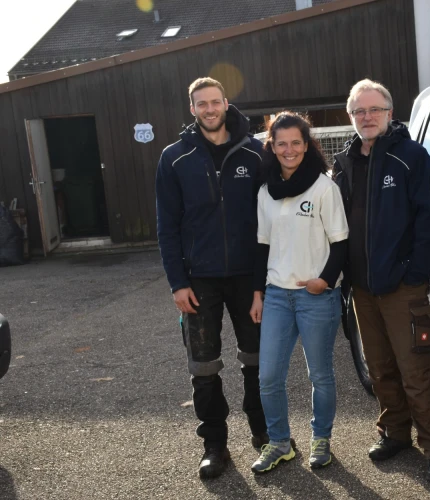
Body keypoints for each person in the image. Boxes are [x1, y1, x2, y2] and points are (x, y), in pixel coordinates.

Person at [333, 80, 430, 483]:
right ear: (351, 117)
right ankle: (394, 433)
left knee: (415, 370)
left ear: (389, 111)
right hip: (362, 288)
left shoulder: (411, 157)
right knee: (380, 367)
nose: (366, 118)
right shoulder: (346, 163)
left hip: (402, 287)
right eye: (358, 112)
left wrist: (415, 272)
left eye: (374, 110)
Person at [155, 77, 268, 479]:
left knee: (257, 359)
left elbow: (269, 222)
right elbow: (166, 226)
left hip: (247, 277)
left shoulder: (256, 153)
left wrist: (261, 284)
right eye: (201, 103)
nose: (209, 109)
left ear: (225, 103)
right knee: (203, 366)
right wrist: (177, 282)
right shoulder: (174, 158)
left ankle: (263, 432)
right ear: (192, 109)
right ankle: (215, 445)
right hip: (198, 279)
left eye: (215, 102)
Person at [249, 111, 349, 474]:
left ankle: (320, 440)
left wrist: (324, 280)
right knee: (268, 377)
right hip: (277, 295)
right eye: (281, 143)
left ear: (306, 145)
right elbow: (261, 247)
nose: (288, 149)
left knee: (319, 375)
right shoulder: (265, 193)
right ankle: (279, 443)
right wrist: (258, 293)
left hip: (315, 297)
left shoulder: (324, 188)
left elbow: (340, 243)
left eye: (295, 142)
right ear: (272, 147)